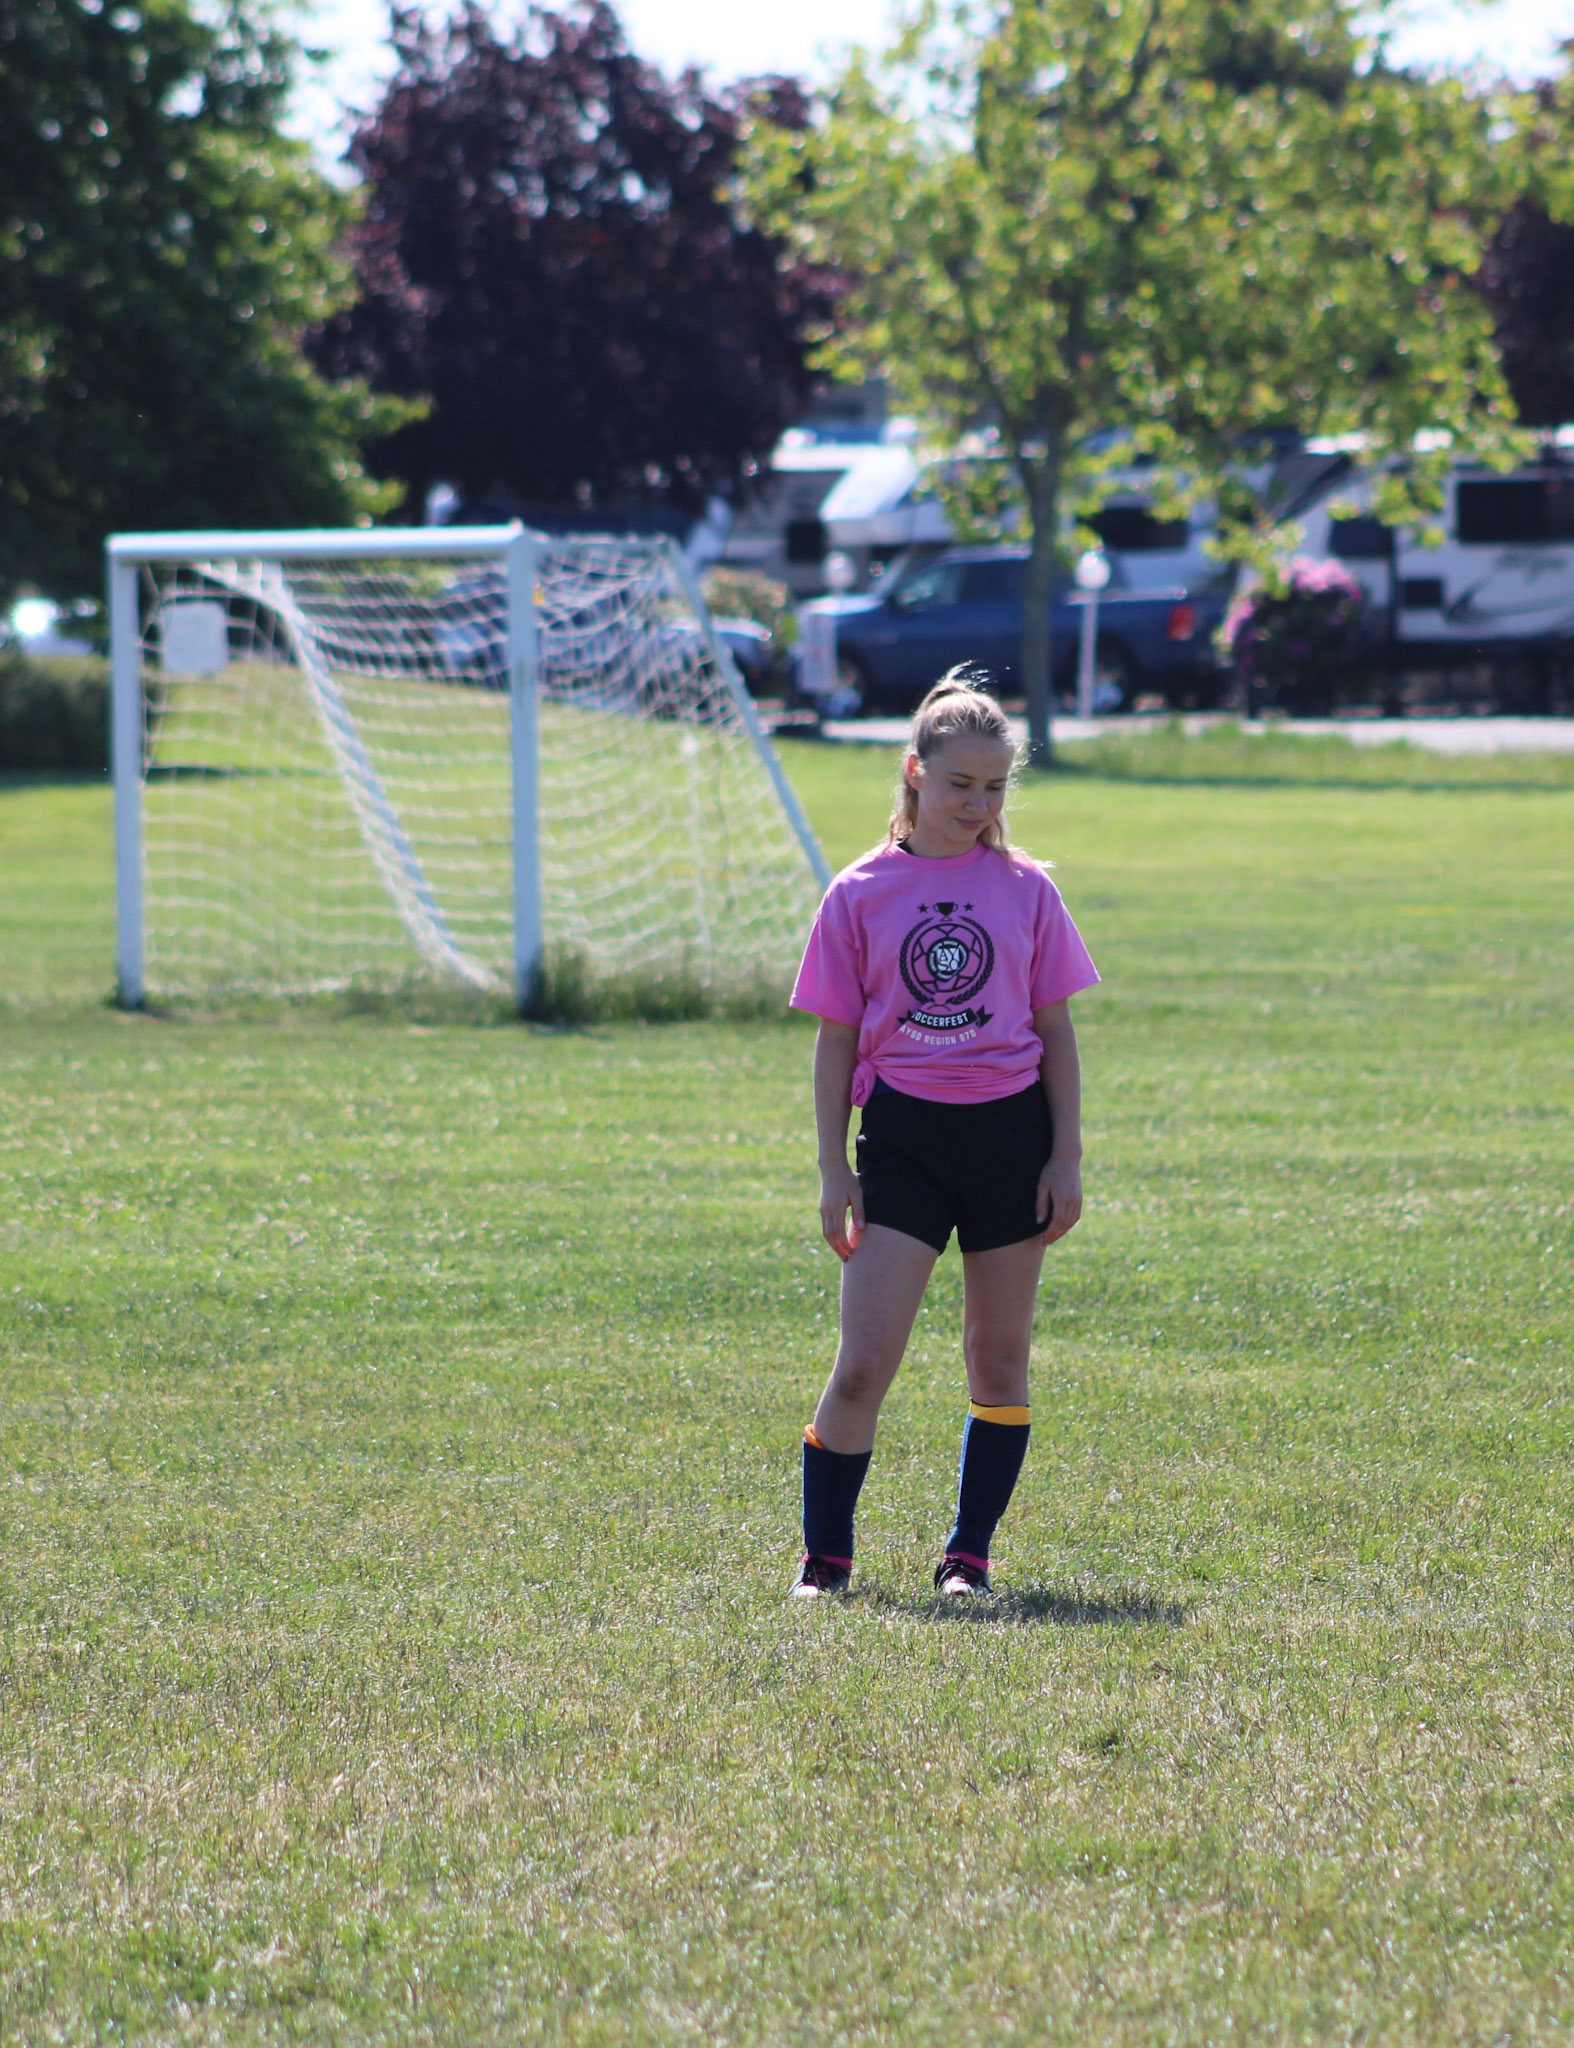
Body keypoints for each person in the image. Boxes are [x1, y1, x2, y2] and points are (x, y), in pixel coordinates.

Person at [788, 673, 1099, 1599]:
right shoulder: (859, 892)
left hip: (1010, 1139)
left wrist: (1065, 1154)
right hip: (904, 1141)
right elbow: (835, 1039)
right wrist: (833, 1167)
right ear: (915, 772)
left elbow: (1056, 1033)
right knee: (863, 1365)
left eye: (995, 787)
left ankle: (969, 1558)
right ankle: (825, 1563)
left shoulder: (1028, 890)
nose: (978, 804)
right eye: (961, 783)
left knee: (997, 1357)